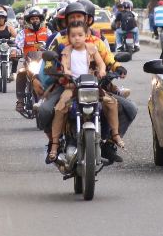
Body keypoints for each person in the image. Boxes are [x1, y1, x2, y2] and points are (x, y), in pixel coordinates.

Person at [48, 21, 124, 162]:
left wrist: (102, 71)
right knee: (60, 109)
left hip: (92, 86)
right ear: (69, 37)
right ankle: (54, 144)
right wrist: (66, 71)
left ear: (86, 35)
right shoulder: (66, 51)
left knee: (112, 103)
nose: (77, 38)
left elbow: (102, 64)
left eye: (80, 35)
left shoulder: (92, 49)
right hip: (73, 87)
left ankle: (115, 135)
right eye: (73, 35)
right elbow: (64, 65)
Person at [14, 9, 50, 111]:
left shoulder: (47, 32)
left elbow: (52, 44)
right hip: (28, 62)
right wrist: (14, 51)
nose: (35, 21)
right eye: (33, 19)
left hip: (44, 62)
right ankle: (20, 100)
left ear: (40, 20)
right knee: (21, 73)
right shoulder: (23, 33)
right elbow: (17, 45)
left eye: (37, 19)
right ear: (29, 21)